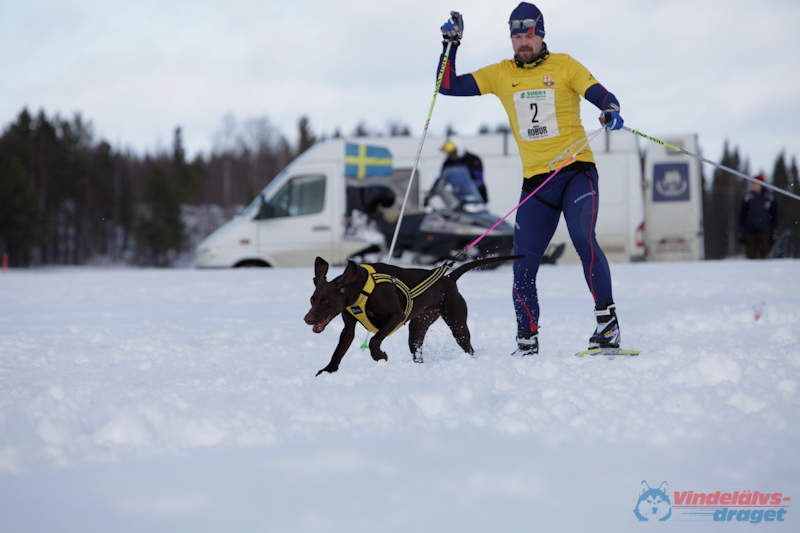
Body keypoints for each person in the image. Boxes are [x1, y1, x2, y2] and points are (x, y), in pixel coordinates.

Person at [438, 3, 625, 355]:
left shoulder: (565, 65)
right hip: (536, 185)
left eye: (530, 35)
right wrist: (450, 46)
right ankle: (527, 341)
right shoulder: (500, 74)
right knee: (522, 266)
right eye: (517, 36)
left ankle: (607, 326)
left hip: (575, 172)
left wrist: (610, 108)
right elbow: (447, 86)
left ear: (542, 36)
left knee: (583, 239)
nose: (524, 43)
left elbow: (599, 92)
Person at [738, 174, 779, 259]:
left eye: (755, 184)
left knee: (765, 256)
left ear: (761, 184)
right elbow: (742, 215)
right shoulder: (748, 198)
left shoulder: (769, 197)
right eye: (753, 184)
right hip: (750, 231)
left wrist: (774, 230)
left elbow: (775, 215)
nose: (754, 186)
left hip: (765, 231)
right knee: (751, 256)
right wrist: (741, 230)